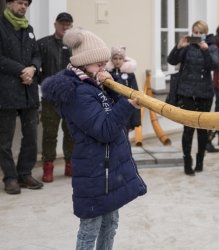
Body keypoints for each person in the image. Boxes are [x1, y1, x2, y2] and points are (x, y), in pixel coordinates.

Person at [41, 27, 147, 249]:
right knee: (90, 230)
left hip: (108, 169)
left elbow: (111, 109)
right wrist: (126, 106)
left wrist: (119, 94)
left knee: (110, 224)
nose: (103, 68)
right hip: (94, 171)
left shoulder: (94, 85)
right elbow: (105, 129)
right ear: (83, 63)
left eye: (104, 63)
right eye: (98, 63)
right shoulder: (78, 93)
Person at [0, 0, 43, 194]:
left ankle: (24, 173)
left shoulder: (29, 28)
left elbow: (36, 54)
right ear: (9, 4)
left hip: (29, 90)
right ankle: (10, 177)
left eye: (26, 3)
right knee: (5, 138)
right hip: (7, 91)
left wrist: (33, 68)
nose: (23, 7)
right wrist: (22, 70)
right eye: (19, 2)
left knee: (31, 136)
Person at [167, 20, 218, 176]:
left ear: (205, 33)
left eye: (199, 32)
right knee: (188, 129)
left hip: (205, 94)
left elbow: (214, 66)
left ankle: (200, 161)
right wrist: (178, 47)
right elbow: (171, 60)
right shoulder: (187, 47)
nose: (196, 35)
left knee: (202, 129)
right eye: (194, 32)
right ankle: (187, 162)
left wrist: (205, 50)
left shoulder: (212, 47)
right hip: (187, 92)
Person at [37, 12, 74, 183]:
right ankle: (48, 166)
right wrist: (45, 84)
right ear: (55, 24)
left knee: (71, 132)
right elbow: (36, 66)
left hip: (70, 98)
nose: (65, 27)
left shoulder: (76, 46)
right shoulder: (43, 44)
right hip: (50, 99)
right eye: (62, 24)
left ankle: (70, 164)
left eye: (68, 24)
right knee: (49, 134)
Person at [105, 46, 141, 134]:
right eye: (115, 58)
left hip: (126, 108)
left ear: (124, 60)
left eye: (120, 58)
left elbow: (135, 94)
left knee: (125, 135)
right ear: (111, 59)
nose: (117, 61)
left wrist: (135, 118)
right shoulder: (107, 74)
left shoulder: (130, 75)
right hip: (112, 109)